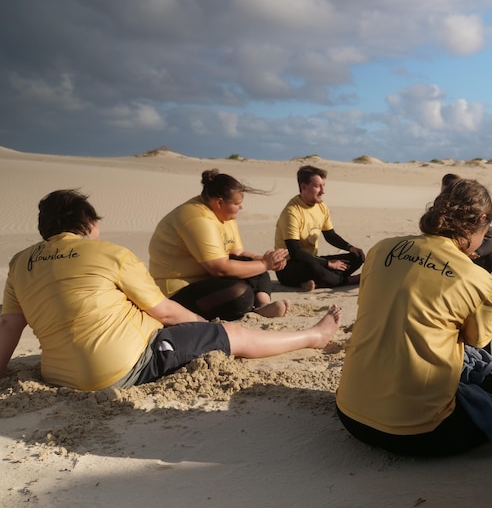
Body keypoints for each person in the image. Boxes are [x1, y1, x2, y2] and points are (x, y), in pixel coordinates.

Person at [0, 190, 342, 391]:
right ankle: (313, 337)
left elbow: (9, 329)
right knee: (229, 332)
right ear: (88, 224)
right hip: (116, 372)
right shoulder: (110, 254)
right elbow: (163, 311)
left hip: (58, 376)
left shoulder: (20, 263)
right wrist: (203, 326)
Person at [336, 177, 492, 457]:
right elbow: (478, 349)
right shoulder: (477, 278)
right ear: (481, 220)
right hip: (420, 433)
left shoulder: (381, 249)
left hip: (350, 415)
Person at [149, 169, 289, 321]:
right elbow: (219, 269)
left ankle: (263, 305)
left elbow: (239, 254)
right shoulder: (197, 218)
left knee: (255, 267)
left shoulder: (225, 214)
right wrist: (264, 263)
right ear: (220, 202)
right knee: (240, 293)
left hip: (207, 279)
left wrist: (266, 260)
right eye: (237, 203)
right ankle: (253, 306)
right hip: (177, 290)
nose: (241, 207)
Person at [273, 165, 364, 291]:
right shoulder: (292, 212)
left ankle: (313, 282)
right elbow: (296, 253)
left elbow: (330, 235)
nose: (323, 191)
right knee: (314, 267)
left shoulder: (321, 206)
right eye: (317, 186)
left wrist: (350, 247)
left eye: (323, 186)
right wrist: (328, 264)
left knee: (357, 257)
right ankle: (347, 280)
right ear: (304, 187)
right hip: (288, 267)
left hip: (313, 260)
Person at [441, 173, 492, 273]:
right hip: (447, 255)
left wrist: (476, 252)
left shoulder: (475, 213)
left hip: (471, 254)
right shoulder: (439, 214)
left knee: (490, 258)